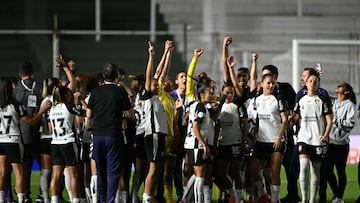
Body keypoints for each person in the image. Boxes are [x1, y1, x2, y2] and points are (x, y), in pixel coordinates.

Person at [86, 63, 133, 203]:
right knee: (113, 173)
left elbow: (89, 115)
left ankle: (101, 199)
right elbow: (130, 114)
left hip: (98, 135)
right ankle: (110, 200)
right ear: (116, 76)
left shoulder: (95, 92)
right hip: (113, 135)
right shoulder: (120, 92)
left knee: (100, 172)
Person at [0, 77, 51, 203]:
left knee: (2, 172)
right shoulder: (15, 105)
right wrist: (41, 111)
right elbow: (30, 122)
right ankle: (21, 199)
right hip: (13, 141)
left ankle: (1, 200)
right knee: (19, 172)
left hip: (0, 140)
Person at [291, 71, 332, 203]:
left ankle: (312, 200)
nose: (313, 83)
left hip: (317, 140)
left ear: (318, 84)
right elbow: (296, 117)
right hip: (303, 138)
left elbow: (330, 120)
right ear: (306, 84)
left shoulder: (322, 100)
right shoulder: (301, 100)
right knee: (303, 167)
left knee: (316, 171)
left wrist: (325, 135)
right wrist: (290, 120)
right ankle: (304, 200)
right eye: (310, 81)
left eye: (315, 81)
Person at [247, 73, 288, 203]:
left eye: (273, 83)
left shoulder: (279, 99)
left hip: (276, 141)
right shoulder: (257, 100)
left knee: (275, 170)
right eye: (268, 83)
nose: (271, 85)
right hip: (260, 141)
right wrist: (253, 137)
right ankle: (264, 194)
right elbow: (255, 120)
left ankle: (275, 200)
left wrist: (279, 137)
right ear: (262, 84)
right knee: (253, 169)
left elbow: (285, 120)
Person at [214, 55, 249, 202]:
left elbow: (245, 124)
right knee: (221, 173)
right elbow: (215, 125)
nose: (229, 94)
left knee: (236, 173)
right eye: (226, 92)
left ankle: (239, 199)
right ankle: (233, 194)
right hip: (223, 144)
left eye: (231, 92)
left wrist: (243, 143)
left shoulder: (238, 106)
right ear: (222, 92)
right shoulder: (218, 107)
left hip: (235, 142)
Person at [12, 61, 44, 203]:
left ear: (20, 74)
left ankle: (24, 196)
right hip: (39, 134)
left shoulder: (15, 91)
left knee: (23, 169)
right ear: (32, 73)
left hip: (21, 136)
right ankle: (42, 195)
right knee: (46, 168)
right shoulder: (39, 88)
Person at [141, 41, 168, 203]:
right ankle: (146, 198)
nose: (156, 85)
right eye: (153, 84)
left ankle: (151, 197)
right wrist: (151, 55)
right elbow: (150, 74)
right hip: (153, 135)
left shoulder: (156, 98)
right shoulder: (147, 97)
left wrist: (165, 52)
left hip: (159, 135)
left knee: (157, 168)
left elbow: (158, 72)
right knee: (153, 168)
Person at [48, 85, 85, 203]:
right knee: (74, 174)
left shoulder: (52, 109)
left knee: (56, 175)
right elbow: (86, 113)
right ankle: (75, 200)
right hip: (68, 142)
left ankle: (54, 200)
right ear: (65, 96)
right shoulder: (68, 106)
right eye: (69, 94)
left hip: (55, 143)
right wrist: (80, 100)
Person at [326, 82, 356, 203]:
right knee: (328, 171)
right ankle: (337, 195)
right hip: (330, 142)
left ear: (346, 92)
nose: (337, 87)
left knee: (340, 171)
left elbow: (350, 124)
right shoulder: (333, 102)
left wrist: (336, 120)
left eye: (341, 86)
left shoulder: (350, 105)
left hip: (341, 144)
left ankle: (339, 197)